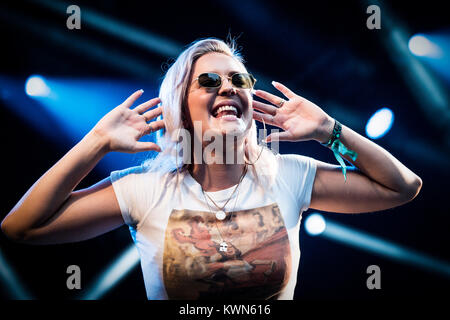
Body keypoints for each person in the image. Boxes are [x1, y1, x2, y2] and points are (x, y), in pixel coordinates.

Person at [1, 38, 422, 300]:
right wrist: (94, 144)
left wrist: (331, 130)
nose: (228, 88)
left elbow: (403, 187)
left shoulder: (288, 174)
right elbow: (20, 227)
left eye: (239, 81)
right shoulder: (144, 189)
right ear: (180, 104)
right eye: (208, 81)